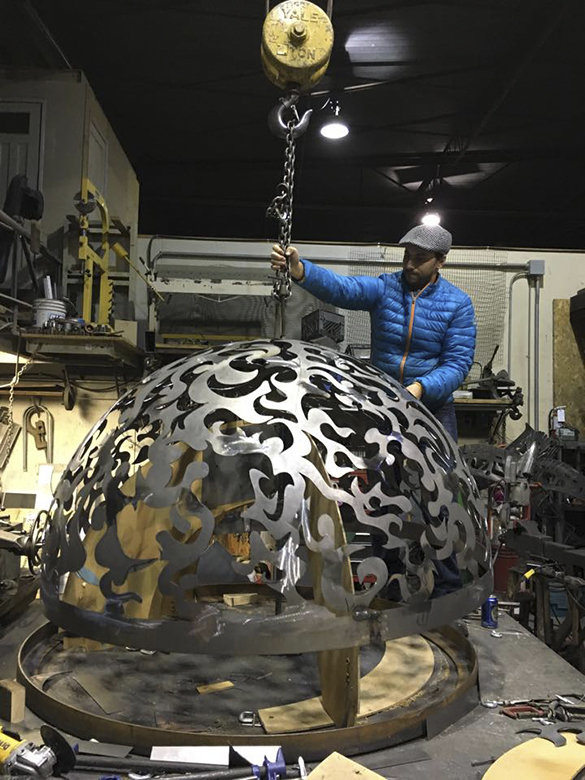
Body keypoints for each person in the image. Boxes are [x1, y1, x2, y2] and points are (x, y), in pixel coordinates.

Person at [270, 223, 476, 442]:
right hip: (384, 401)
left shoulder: (458, 304)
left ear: (440, 261)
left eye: (420, 258)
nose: (409, 264)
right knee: (381, 469)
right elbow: (342, 288)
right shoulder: (385, 288)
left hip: (433, 407)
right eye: (407, 255)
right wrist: (301, 271)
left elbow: (457, 364)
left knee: (444, 472)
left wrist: (421, 388)